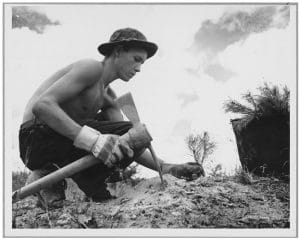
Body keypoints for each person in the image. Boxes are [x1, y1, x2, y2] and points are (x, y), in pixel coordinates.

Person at [19, 28, 205, 208]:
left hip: (59, 146)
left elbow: (132, 141)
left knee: (129, 135)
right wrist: (93, 141)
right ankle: (53, 176)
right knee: (120, 132)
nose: (139, 69)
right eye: (136, 59)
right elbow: (42, 106)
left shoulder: (110, 99)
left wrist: (165, 167)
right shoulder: (90, 68)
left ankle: (49, 178)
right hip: (34, 139)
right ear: (117, 52)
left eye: (142, 63)